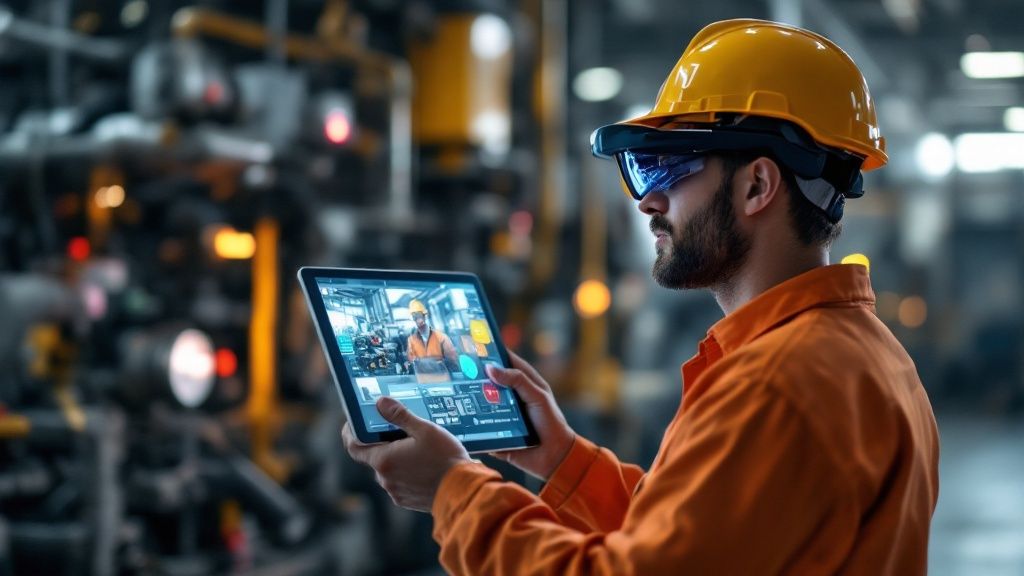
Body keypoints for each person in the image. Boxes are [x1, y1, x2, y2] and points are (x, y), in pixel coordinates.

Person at [343, 18, 939, 574]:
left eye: (668, 168)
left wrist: (453, 491)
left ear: (758, 185)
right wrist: (562, 460)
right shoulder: (864, 355)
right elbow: (703, 542)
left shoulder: (777, 384)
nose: (647, 202)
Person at [405, 299, 459, 372]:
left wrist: (436, 365)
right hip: (423, 380)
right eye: (415, 317)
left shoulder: (441, 337)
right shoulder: (411, 340)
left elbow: (453, 360)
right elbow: (411, 361)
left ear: (425, 316)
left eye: (419, 316)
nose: (418, 320)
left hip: (443, 377)